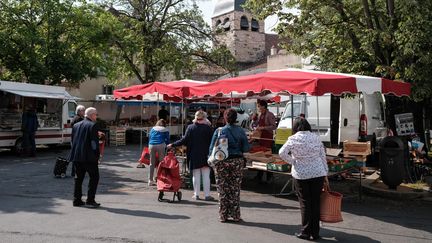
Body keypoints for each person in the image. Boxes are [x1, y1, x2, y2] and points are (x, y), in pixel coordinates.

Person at [278, 117, 329, 241]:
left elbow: (281, 153)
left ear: (295, 127)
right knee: (316, 202)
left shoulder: (293, 139)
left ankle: (306, 232)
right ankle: (315, 233)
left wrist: (293, 161)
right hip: (318, 173)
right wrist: (325, 172)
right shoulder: (316, 138)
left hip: (301, 174)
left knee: (305, 203)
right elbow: (323, 156)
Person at [209, 108, 250, 223]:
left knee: (222, 189)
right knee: (235, 189)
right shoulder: (241, 131)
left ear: (225, 118)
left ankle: (223, 215)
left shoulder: (219, 130)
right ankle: (235, 215)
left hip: (222, 162)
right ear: (236, 118)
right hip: (236, 161)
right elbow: (246, 148)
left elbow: (212, 148)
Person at [168, 110, 213, 200]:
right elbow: (212, 141)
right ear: (204, 118)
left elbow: (183, 140)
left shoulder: (190, 127)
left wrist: (172, 144)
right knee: (206, 175)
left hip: (193, 154)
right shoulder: (208, 128)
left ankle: (196, 194)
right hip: (206, 154)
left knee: (195, 175)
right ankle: (207, 195)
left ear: (195, 118)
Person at [68, 107, 101, 208]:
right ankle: (90, 200)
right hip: (89, 156)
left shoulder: (76, 125)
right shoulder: (93, 125)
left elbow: (73, 140)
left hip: (77, 155)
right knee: (94, 177)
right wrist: (97, 155)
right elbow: (94, 143)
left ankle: (76, 199)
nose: (96, 116)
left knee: (78, 178)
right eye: (96, 114)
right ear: (91, 115)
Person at [254, 100, 276, 182]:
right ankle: (259, 175)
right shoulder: (260, 115)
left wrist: (263, 128)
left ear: (263, 106)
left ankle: (269, 176)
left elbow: (274, 126)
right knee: (261, 156)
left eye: (259, 106)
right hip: (261, 138)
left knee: (267, 157)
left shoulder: (270, 115)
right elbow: (258, 124)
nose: (258, 108)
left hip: (267, 138)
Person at [148, 119, 169, 186]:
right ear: (164, 124)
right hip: (160, 145)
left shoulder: (152, 129)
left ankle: (150, 180)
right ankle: (160, 179)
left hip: (151, 145)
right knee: (161, 163)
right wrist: (168, 146)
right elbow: (167, 140)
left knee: (152, 163)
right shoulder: (165, 130)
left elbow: (150, 137)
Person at [70, 105, 85, 176]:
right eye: (83, 110)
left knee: (76, 156)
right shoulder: (78, 119)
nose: (84, 112)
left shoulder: (76, 118)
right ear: (79, 111)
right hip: (78, 140)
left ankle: (75, 171)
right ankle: (76, 171)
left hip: (75, 139)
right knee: (77, 157)